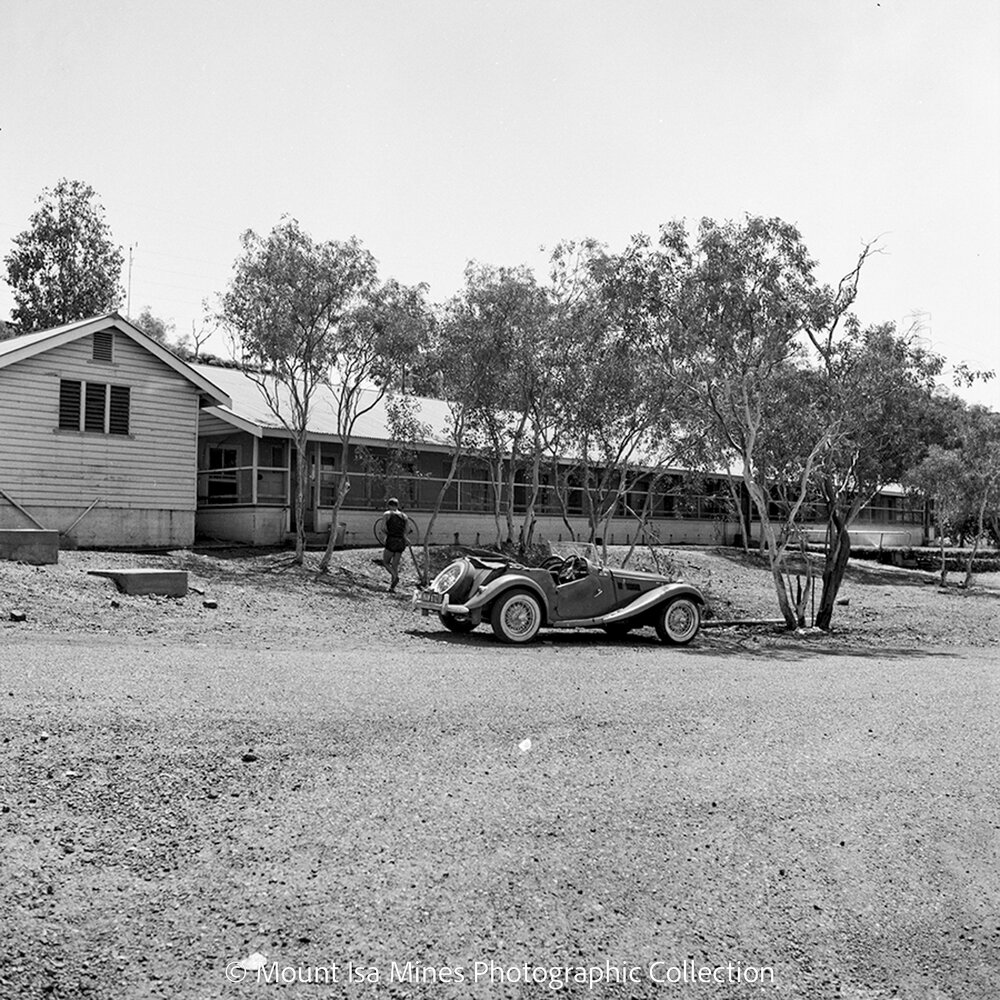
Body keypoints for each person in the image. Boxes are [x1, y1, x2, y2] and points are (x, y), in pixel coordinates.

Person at [377, 498, 411, 592]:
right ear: (397, 505)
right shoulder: (404, 516)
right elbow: (407, 529)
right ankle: (392, 588)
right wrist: (404, 537)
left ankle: (395, 576)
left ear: (389, 506)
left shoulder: (387, 514)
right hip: (401, 541)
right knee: (395, 565)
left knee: (386, 562)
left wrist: (386, 535)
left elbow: (383, 527)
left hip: (392, 540)